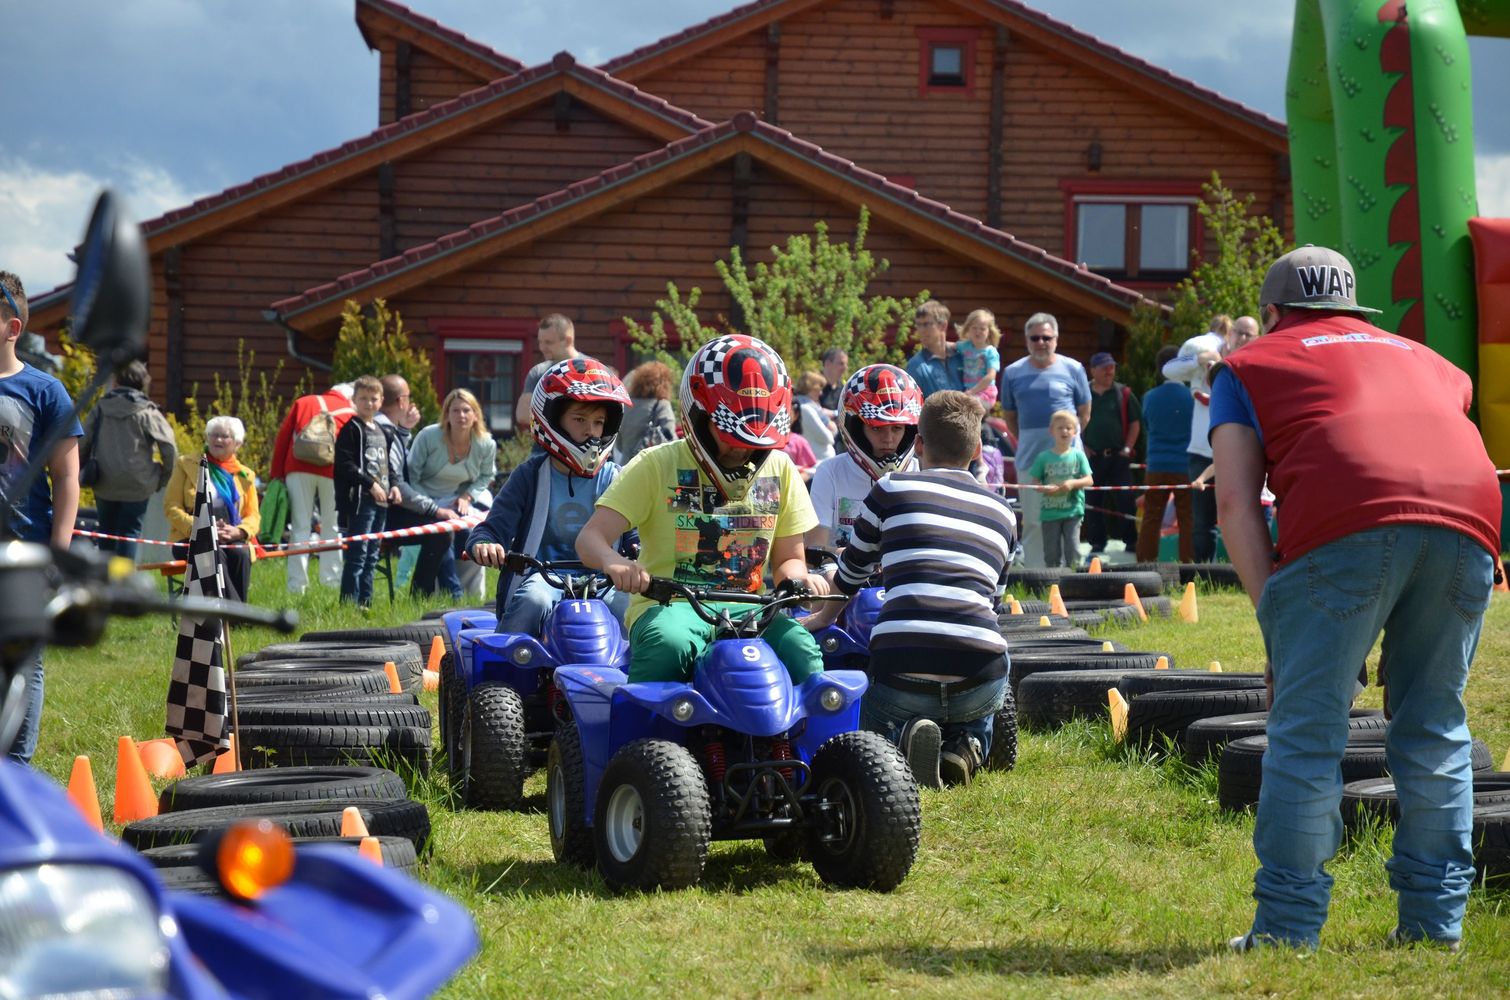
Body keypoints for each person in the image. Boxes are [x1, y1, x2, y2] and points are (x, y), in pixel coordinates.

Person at [1211, 245, 1501, 954]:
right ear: (1353, 308)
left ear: (1272, 313)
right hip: (1472, 523)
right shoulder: (1433, 362)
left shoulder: (1248, 365)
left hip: (1347, 523)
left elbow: (1235, 503)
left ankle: (1287, 929)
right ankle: (1436, 927)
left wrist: (1276, 623)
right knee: (1434, 725)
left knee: (1307, 733)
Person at [574, 334, 830, 684]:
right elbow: (590, 538)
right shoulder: (656, 464)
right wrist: (614, 561)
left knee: (802, 651)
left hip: (753, 609)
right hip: (668, 606)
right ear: (698, 414)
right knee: (669, 645)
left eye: (754, 438)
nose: (743, 448)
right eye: (731, 434)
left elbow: (789, 559)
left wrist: (800, 579)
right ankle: (639, 720)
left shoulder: (781, 468)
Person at [834, 390, 1016, 788]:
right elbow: (993, 602)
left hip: (904, 668)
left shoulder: (890, 488)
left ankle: (900, 738)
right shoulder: (1003, 511)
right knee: (992, 646)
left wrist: (822, 615)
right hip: (977, 675)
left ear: (918, 443)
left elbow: (849, 573)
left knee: (875, 723)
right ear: (977, 449)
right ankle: (967, 744)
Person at [468, 357, 635, 631]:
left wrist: (639, 554)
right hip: (541, 577)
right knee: (533, 601)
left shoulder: (618, 478)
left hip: (605, 580)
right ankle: (509, 656)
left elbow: (635, 536)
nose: (591, 431)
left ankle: (635, 660)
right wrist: (485, 543)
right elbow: (493, 528)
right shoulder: (530, 476)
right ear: (553, 421)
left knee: (631, 610)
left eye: (598, 422)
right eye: (579, 419)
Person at [0, 271, 81, 765]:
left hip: (23, 551)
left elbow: (67, 478)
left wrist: (59, 555)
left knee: (22, 657)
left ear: (12, 328)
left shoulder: (45, 391)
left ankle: (15, 768)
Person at [998, 312, 1091, 567]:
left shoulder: (1074, 369)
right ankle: (1037, 578)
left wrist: (1065, 443)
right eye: (1035, 338)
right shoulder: (1012, 373)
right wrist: (1031, 440)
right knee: (1034, 522)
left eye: (1046, 338)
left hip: (1069, 463)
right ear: (1027, 340)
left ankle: (1070, 578)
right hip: (1030, 460)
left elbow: (1084, 412)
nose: (1041, 342)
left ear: (1056, 339)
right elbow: (1010, 416)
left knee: (1070, 520)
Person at [1163, 314, 1255, 562]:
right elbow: (1168, 369)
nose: (1242, 338)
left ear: (1255, 338)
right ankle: (1204, 573)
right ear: (1229, 334)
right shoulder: (1207, 353)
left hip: (1238, 452)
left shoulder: (1254, 361)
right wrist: (1198, 360)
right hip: (1202, 451)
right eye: (1238, 332)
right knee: (1202, 522)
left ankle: (1240, 571)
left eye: (1248, 334)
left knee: (1240, 515)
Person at [806, 363, 923, 551]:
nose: (888, 438)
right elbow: (814, 549)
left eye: (897, 428)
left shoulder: (921, 474)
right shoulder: (830, 472)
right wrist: (866, 558)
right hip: (841, 570)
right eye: (876, 428)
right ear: (856, 428)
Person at [81, 359, 176, 560]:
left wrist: (79, 469)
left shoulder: (100, 408)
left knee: (106, 532)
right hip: (138, 483)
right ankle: (124, 577)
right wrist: (163, 477)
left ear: (116, 381)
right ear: (144, 381)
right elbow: (169, 448)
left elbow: (83, 441)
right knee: (129, 533)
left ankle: (105, 576)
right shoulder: (147, 411)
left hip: (104, 480)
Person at [407, 388, 498, 599]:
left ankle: (472, 594)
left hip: (461, 498)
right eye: (455, 410)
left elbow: (487, 476)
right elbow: (411, 476)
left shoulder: (486, 443)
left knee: (474, 533)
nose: (461, 415)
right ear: (446, 414)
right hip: (425, 498)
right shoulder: (428, 436)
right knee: (444, 532)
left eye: (466, 410)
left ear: (476, 415)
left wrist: (467, 496)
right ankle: (451, 592)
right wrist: (432, 506)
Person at [165, 415, 260, 605]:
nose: (218, 440)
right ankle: (236, 613)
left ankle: (233, 614)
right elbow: (171, 507)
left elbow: (253, 515)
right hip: (190, 537)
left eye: (224, 436)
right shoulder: (186, 464)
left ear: (237, 443)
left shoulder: (245, 475)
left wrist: (240, 531)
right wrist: (201, 528)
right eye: (214, 435)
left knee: (241, 553)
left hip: (228, 535)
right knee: (213, 553)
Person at [270, 383, 355, 593]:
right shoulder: (350, 411)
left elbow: (283, 437)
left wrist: (277, 474)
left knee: (300, 526)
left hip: (298, 466)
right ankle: (331, 582)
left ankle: (296, 585)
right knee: (332, 527)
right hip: (333, 471)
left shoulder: (304, 402)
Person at [334, 376, 402, 608]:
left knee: (373, 554)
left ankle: (366, 603)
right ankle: (348, 604)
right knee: (358, 554)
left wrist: (394, 485)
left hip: (382, 502)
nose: (368, 403)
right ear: (354, 400)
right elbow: (345, 464)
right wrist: (370, 484)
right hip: (360, 501)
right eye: (363, 398)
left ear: (381, 400)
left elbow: (389, 465)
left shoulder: (384, 431)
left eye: (373, 399)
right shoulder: (351, 429)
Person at [1136, 345, 1195, 562]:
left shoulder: (1150, 397)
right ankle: (1189, 567)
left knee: (1151, 516)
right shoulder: (1192, 397)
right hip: (1185, 466)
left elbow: (1147, 426)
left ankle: (1144, 564)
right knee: (1187, 518)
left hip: (1156, 464)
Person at [1080, 351, 1141, 555]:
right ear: (1093, 370)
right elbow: (1072, 421)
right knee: (1093, 502)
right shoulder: (1082, 393)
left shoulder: (1123, 393)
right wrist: (1081, 446)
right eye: (1104, 367)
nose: (1109, 371)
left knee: (1125, 499)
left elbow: (1135, 423)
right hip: (1092, 458)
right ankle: (1097, 543)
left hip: (1118, 457)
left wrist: (1127, 448)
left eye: (1112, 367)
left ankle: (1131, 542)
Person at [1022, 410, 1093, 568]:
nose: (1064, 431)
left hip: (1073, 512)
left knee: (1073, 550)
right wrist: (1045, 488)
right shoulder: (1043, 457)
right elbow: (1035, 483)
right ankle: (1052, 580)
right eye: (1060, 427)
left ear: (1075, 432)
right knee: (1051, 553)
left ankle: (1074, 579)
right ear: (1051, 431)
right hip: (1050, 514)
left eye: (1068, 428)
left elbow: (1089, 480)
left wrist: (1072, 483)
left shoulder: (1079, 456)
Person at [514, 314, 581, 433]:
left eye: (548, 342)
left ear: (568, 341)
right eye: (540, 342)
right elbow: (523, 415)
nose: (542, 348)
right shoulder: (538, 372)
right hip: (545, 445)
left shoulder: (592, 369)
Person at [613, 360, 676, 466]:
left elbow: (619, 445)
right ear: (664, 383)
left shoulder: (626, 405)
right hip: (652, 467)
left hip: (626, 466)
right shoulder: (661, 405)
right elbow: (670, 440)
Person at [905, 301, 964, 399]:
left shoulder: (962, 355)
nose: (921, 330)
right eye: (918, 325)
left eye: (926, 324)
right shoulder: (916, 365)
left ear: (943, 326)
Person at [956, 309, 1001, 409]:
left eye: (982, 329)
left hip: (986, 392)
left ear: (989, 332)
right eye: (974, 328)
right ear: (968, 329)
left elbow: (991, 376)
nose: (978, 332)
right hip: (970, 392)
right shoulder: (966, 346)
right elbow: (950, 346)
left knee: (967, 407)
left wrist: (972, 391)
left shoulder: (990, 352)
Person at [795, 370, 836, 461]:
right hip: (817, 460)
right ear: (811, 387)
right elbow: (828, 437)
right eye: (819, 389)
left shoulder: (798, 404)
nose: (821, 393)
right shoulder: (807, 407)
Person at [782, 397, 819, 483]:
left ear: (796, 415)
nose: (781, 416)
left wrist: (794, 482)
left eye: (786, 412)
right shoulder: (765, 440)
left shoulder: (800, 442)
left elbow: (808, 471)